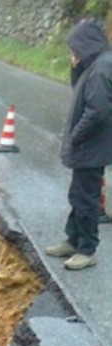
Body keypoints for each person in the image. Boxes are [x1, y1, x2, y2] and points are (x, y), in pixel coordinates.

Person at [46, 17, 112, 270]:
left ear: (87, 44)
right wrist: (75, 67)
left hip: (92, 146)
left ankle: (87, 249)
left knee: (86, 198)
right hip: (89, 146)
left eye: (75, 47)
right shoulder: (94, 63)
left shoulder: (102, 68)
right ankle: (73, 240)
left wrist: (76, 136)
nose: (73, 52)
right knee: (78, 194)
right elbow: (78, 90)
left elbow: (98, 112)